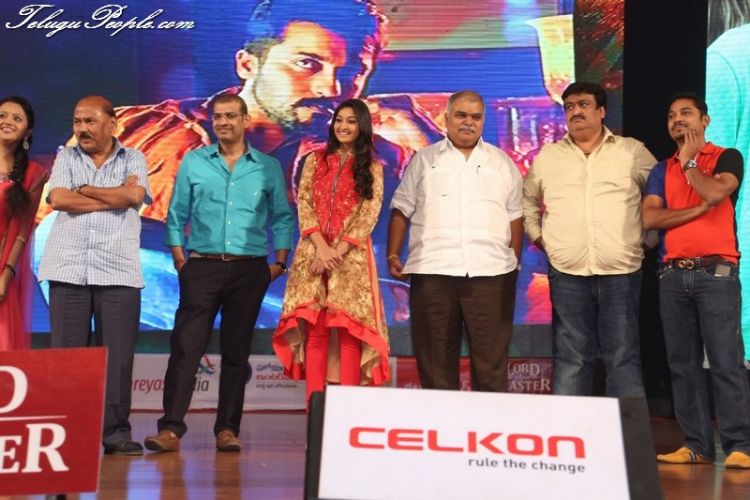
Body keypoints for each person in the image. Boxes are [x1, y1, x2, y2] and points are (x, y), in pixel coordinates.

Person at [144, 94, 294, 453]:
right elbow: (176, 213)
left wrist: (280, 262)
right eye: (218, 117)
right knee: (185, 349)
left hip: (249, 269)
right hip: (201, 266)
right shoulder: (194, 161)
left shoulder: (267, 166)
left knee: (236, 354)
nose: (223, 122)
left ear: (245, 120)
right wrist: (180, 260)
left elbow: (282, 217)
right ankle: (170, 429)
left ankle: (227, 429)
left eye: (230, 116)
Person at [523, 81, 655, 397]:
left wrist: (647, 242)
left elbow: (663, 195)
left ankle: (625, 430)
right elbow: (527, 202)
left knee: (622, 355)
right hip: (567, 272)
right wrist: (541, 239)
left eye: (584, 105)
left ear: (601, 111)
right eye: (570, 107)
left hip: (621, 271)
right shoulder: (549, 156)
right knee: (571, 357)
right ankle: (569, 429)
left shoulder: (631, 151)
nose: (576, 112)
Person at [38, 95, 151, 455]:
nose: (82, 129)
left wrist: (84, 189)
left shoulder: (134, 158)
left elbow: (133, 197)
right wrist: (112, 196)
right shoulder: (66, 157)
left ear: (112, 124)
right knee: (67, 359)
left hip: (118, 271)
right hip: (67, 267)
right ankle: (65, 434)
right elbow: (59, 199)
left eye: (89, 121)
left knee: (116, 360)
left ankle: (114, 434)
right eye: (77, 121)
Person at [387, 90, 522, 392]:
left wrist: (513, 262)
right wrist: (393, 255)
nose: (468, 122)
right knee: (436, 364)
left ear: (483, 121)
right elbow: (401, 208)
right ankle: (441, 421)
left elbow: (515, 215)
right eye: (461, 115)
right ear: (446, 118)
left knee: (491, 364)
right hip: (433, 272)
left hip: (491, 275)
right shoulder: (424, 160)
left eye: (476, 117)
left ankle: (489, 420)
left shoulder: (501, 163)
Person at [642, 92, 750, 468]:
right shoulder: (661, 170)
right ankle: (697, 445)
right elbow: (650, 219)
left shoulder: (726, 157)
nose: (677, 119)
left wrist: (690, 164)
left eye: (686, 113)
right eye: (671, 115)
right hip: (672, 275)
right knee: (682, 365)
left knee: (726, 362)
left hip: (716, 273)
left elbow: (716, 191)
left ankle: (740, 446)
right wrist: (698, 208)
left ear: (705, 120)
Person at [273, 99, 390, 403]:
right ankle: (315, 409)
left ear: (362, 126)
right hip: (312, 252)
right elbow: (304, 204)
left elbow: (369, 213)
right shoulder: (315, 160)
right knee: (316, 331)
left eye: (351, 121)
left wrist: (337, 250)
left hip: (351, 256)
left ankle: (346, 411)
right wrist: (322, 248)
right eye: (339, 120)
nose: (343, 127)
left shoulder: (373, 168)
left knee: (349, 331)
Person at [0, 96, 47, 350]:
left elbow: (22, 230)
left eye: (16, 118)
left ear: (27, 133)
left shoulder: (33, 174)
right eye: (2, 116)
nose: (7, 121)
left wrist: (6, 275)